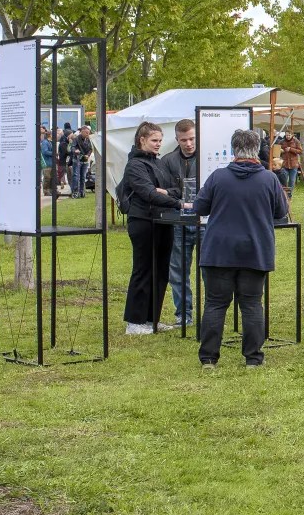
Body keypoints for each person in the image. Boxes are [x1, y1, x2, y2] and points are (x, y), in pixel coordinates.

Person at [194, 128, 289, 368]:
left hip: (219, 250)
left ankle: (208, 358)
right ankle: (253, 358)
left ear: (233, 149)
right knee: (251, 303)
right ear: (256, 150)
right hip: (255, 249)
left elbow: (200, 207)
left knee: (215, 303)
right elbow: (281, 212)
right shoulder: (269, 179)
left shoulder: (218, 177)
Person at [121, 122, 186, 335]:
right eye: (154, 141)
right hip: (143, 221)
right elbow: (148, 193)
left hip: (163, 221)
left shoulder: (158, 163)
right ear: (142, 140)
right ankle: (134, 321)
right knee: (143, 269)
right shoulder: (135, 165)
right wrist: (175, 201)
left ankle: (152, 319)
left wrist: (166, 193)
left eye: (159, 140)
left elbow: (177, 189)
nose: (158, 144)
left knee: (160, 271)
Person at [158, 119, 199, 330]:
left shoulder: (207, 157)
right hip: (179, 221)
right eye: (184, 140)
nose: (189, 143)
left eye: (192, 138)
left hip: (204, 222)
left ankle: (211, 312)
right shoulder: (167, 161)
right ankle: (183, 315)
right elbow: (163, 191)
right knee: (178, 271)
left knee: (210, 269)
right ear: (177, 139)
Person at [70, 126, 94, 198]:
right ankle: (75, 192)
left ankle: (82, 192)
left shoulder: (88, 140)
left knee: (83, 177)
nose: (87, 134)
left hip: (85, 160)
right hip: (77, 159)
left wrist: (88, 155)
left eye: (88, 133)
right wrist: (75, 151)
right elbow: (72, 147)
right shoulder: (76, 139)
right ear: (82, 132)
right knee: (76, 176)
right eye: (86, 133)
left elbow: (90, 149)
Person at [39, 128, 56, 196]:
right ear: (50, 135)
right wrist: (53, 153)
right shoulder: (45, 142)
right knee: (47, 178)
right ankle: (46, 190)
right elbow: (45, 151)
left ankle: (50, 190)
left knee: (51, 177)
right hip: (47, 163)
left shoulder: (49, 142)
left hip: (50, 162)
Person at [56, 126, 72, 193]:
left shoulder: (61, 143)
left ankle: (62, 181)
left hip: (62, 159)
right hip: (65, 160)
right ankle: (63, 181)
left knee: (62, 172)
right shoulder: (65, 143)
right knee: (66, 172)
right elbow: (67, 151)